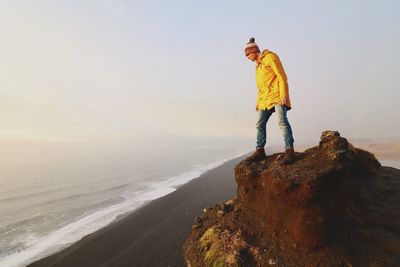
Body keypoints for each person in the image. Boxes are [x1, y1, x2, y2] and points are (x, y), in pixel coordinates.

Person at [244, 37, 295, 164]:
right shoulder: (258, 67)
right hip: (265, 101)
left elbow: (281, 76)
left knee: (282, 122)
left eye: (247, 54)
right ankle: (260, 150)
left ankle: (290, 150)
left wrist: (284, 95)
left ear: (254, 51)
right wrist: (258, 102)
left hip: (277, 96)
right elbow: (261, 88)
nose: (247, 57)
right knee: (259, 124)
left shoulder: (271, 57)